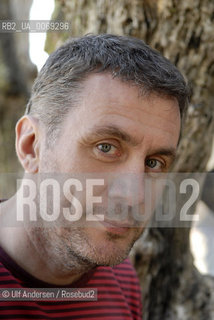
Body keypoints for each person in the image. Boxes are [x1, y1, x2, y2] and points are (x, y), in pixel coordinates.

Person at [0, 34, 189, 319]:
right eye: (106, 147)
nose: (134, 195)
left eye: (154, 162)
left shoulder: (120, 279)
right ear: (31, 145)